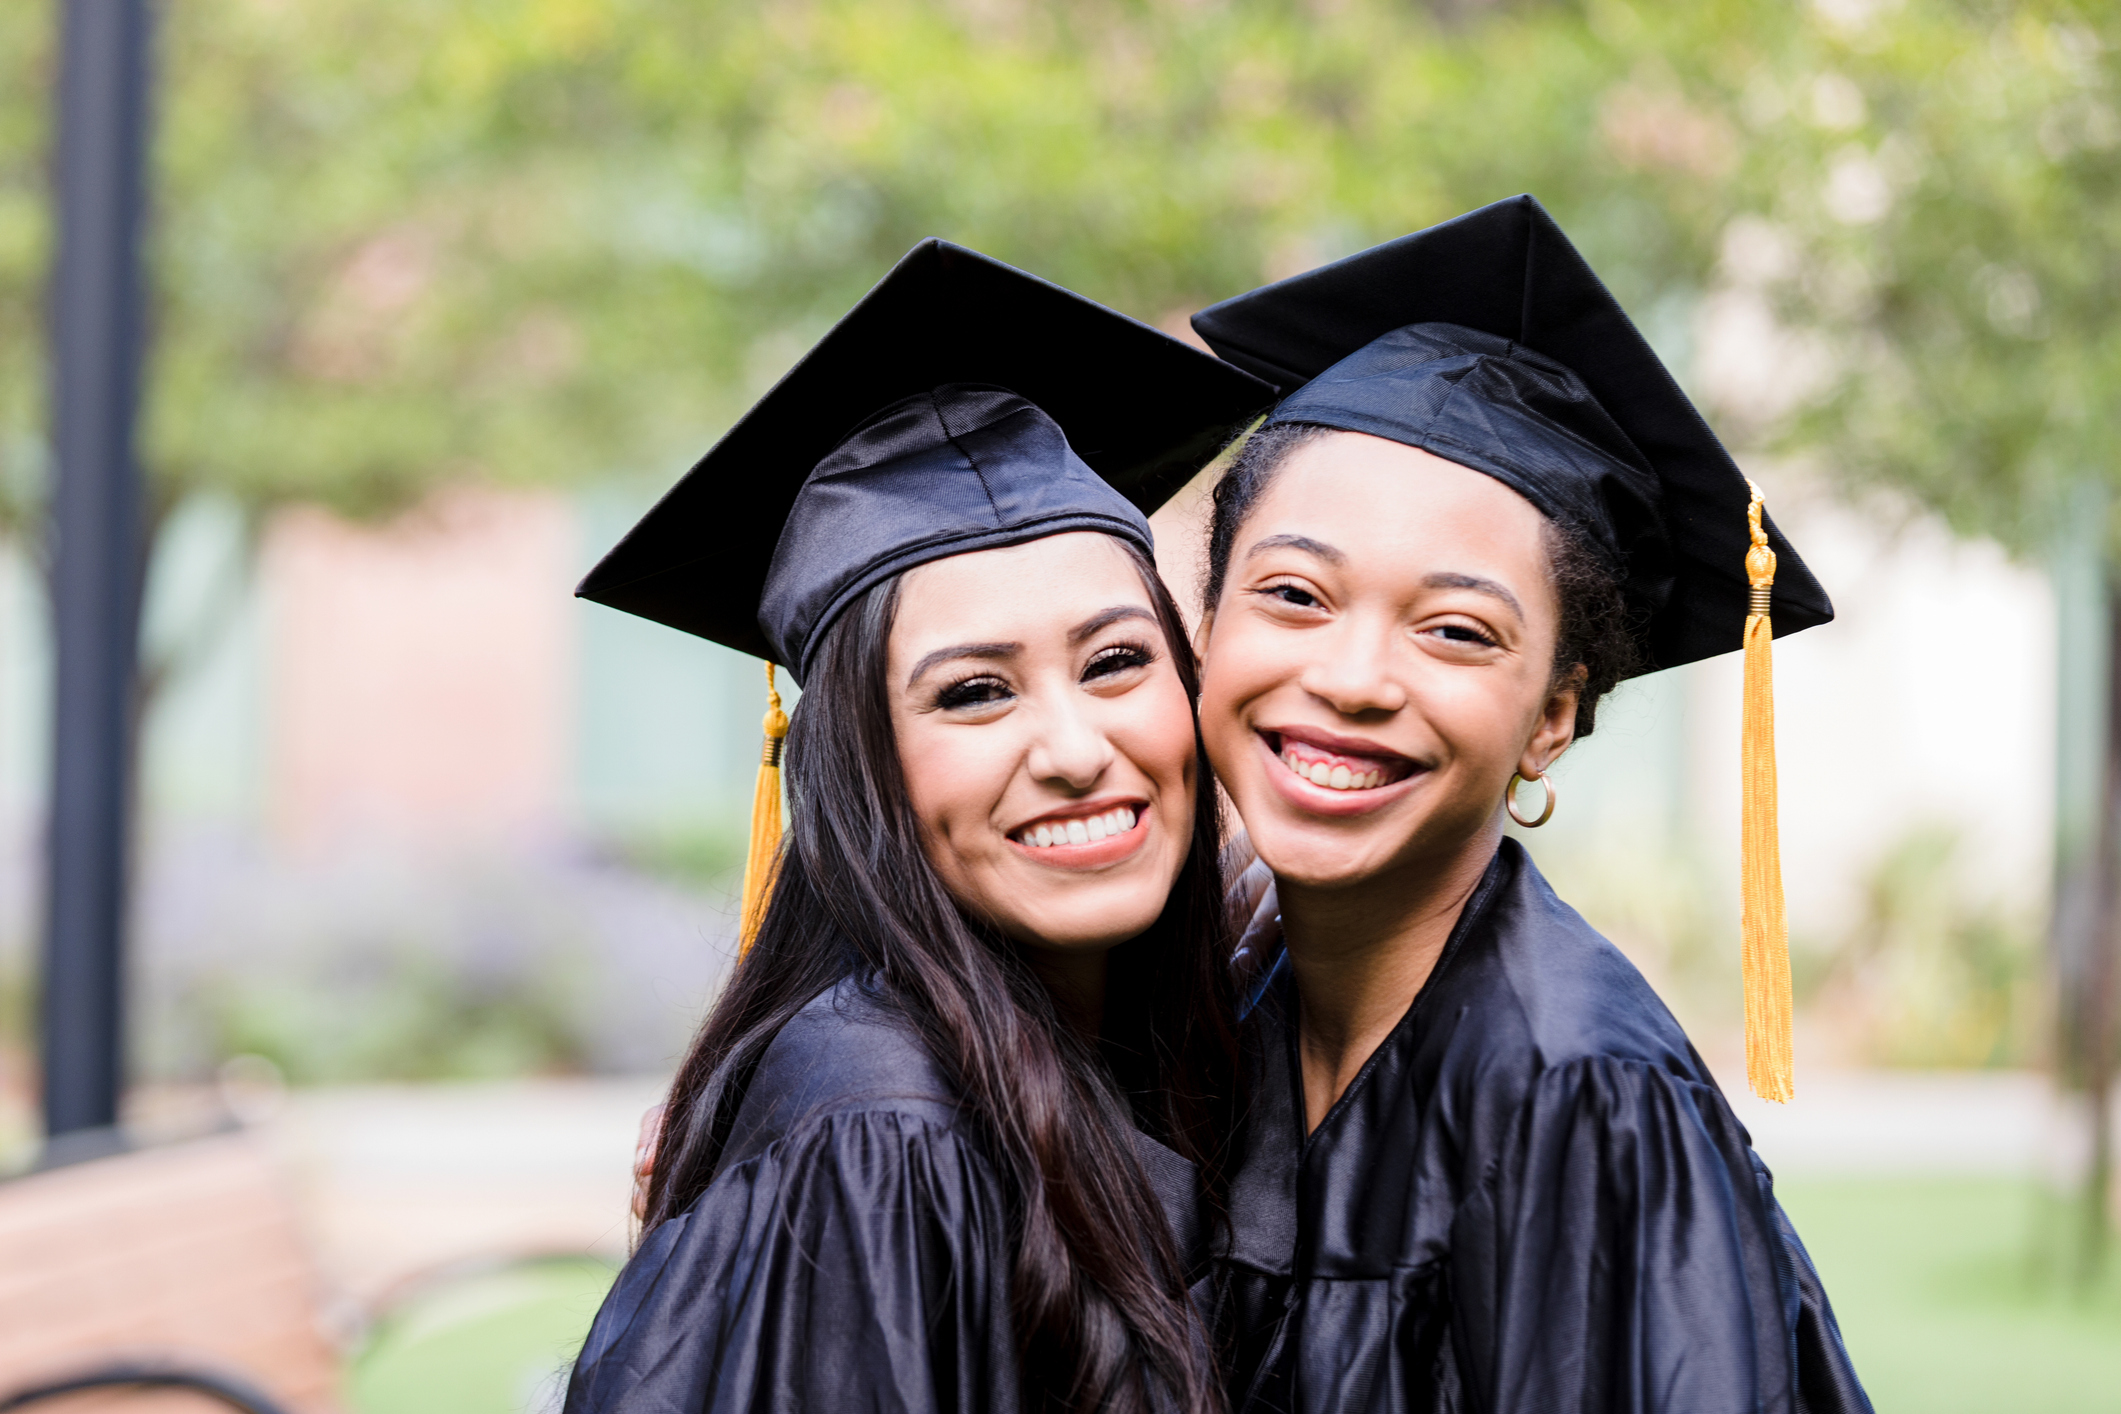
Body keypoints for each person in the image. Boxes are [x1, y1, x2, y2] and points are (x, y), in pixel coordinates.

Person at [1182, 196, 1873, 1413]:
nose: (1350, 678)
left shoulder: (1579, 1096)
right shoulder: (1243, 1007)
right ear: (1209, 617)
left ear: (1555, 713)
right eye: (1294, 593)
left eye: (1454, 630)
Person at [561, 239, 1276, 1414]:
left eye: (1114, 662)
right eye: (974, 691)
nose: (1075, 747)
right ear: (859, 769)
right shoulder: (883, 1132)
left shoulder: (1146, 1043)